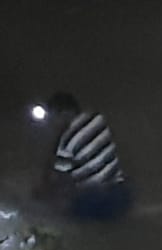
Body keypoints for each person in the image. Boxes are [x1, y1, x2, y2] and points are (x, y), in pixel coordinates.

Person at [35, 91, 131, 219]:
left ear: (64, 114)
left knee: (56, 207)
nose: (52, 123)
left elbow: (61, 181)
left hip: (99, 204)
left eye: (54, 118)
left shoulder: (66, 143)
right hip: (123, 196)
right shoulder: (97, 118)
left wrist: (43, 193)